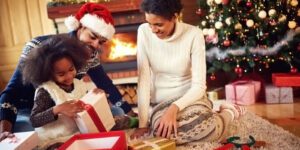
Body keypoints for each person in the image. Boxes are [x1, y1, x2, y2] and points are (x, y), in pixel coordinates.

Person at [0, 2, 136, 141]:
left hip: (68, 113)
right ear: (80, 27)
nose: (96, 45)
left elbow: (105, 84)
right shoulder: (37, 46)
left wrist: (131, 114)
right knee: (27, 134)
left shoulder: (91, 55)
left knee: (117, 112)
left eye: (101, 42)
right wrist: (4, 130)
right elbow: (12, 92)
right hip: (33, 113)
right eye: (93, 37)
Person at [131, 0, 245, 144]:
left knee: (205, 128)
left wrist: (174, 108)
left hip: (190, 98)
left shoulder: (194, 34)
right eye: (150, 23)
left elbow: (199, 86)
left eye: (159, 24)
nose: (153, 30)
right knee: (163, 134)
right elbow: (144, 80)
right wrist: (143, 124)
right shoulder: (143, 32)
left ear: (174, 17)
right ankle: (213, 118)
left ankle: (228, 113)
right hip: (161, 102)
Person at [22, 36, 100, 148]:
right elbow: (34, 120)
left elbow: (86, 107)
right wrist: (58, 109)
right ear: (49, 73)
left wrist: (95, 96)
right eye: (61, 74)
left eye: (71, 69)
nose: (69, 76)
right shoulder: (46, 90)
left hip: (76, 135)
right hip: (54, 140)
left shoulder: (79, 84)